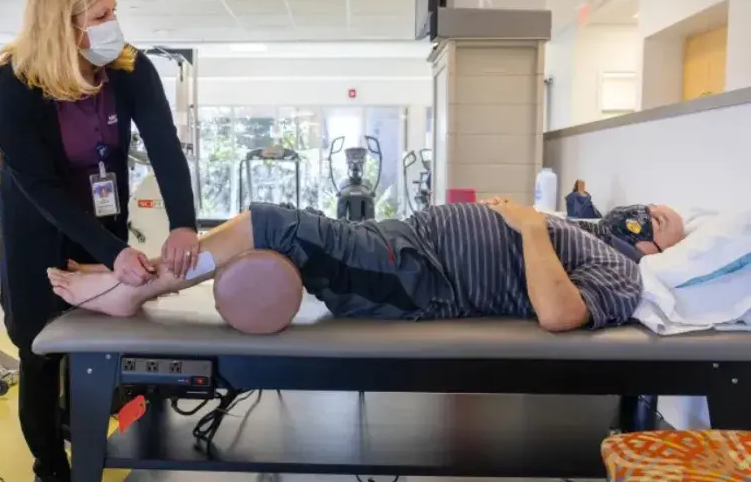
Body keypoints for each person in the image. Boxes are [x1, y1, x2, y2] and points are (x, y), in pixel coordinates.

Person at [0, 0, 199, 482]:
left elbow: (164, 146)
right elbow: (38, 184)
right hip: (39, 230)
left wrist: (183, 222)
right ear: (64, 23)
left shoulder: (128, 67)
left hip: (102, 220)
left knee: (101, 339)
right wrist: (116, 252)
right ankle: (50, 468)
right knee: (40, 350)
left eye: (113, 11)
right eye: (101, 15)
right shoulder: (13, 83)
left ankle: (94, 435)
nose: (113, 23)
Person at [46, 198, 684, 335]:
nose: (642, 214)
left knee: (273, 223)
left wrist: (532, 227)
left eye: (657, 221)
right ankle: (140, 274)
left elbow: (559, 313)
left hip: (417, 277)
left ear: (659, 251)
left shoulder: (625, 275)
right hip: (405, 244)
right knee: (272, 226)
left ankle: (132, 290)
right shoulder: (590, 231)